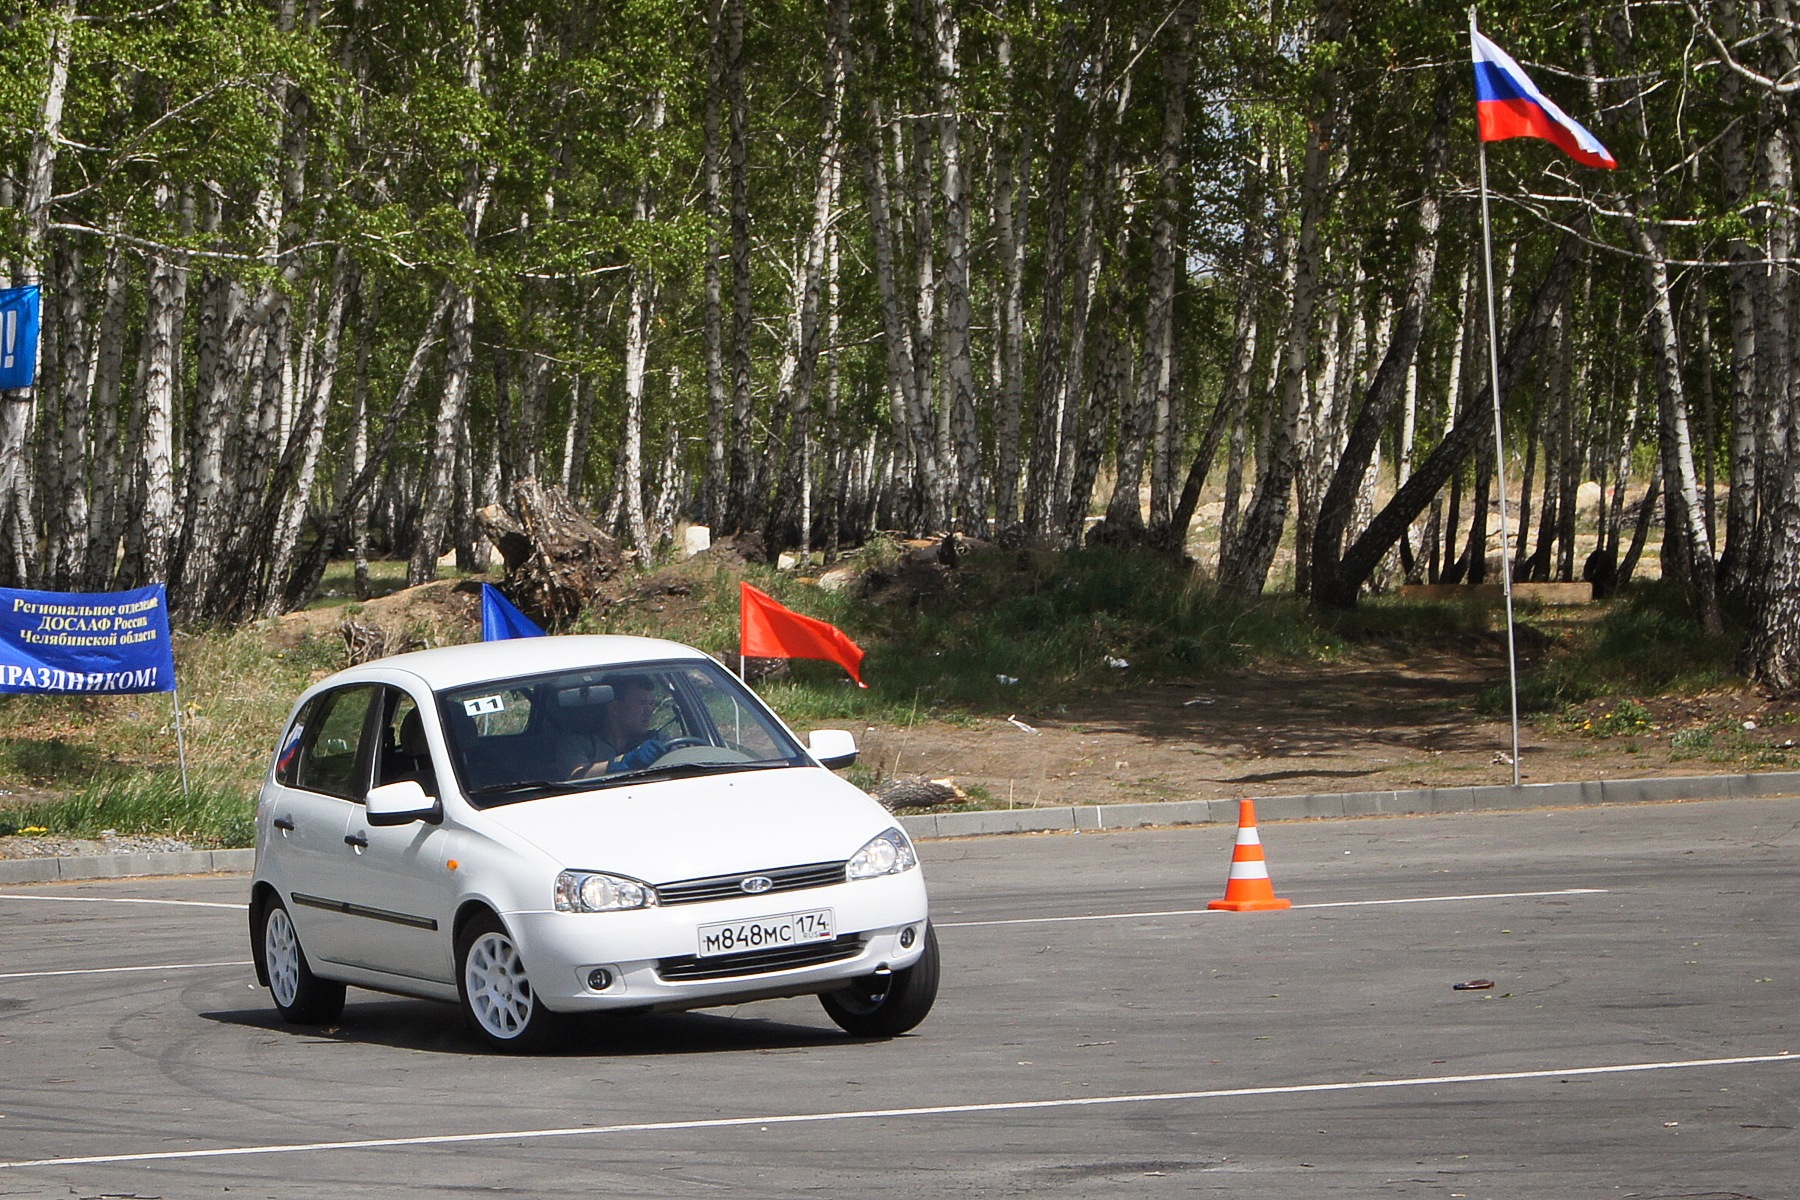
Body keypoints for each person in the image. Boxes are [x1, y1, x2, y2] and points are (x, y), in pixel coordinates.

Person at [567, 675, 669, 777]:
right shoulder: (579, 744)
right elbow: (576, 775)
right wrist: (623, 764)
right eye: (641, 703)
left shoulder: (658, 741)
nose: (649, 711)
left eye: (651, 703)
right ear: (615, 707)